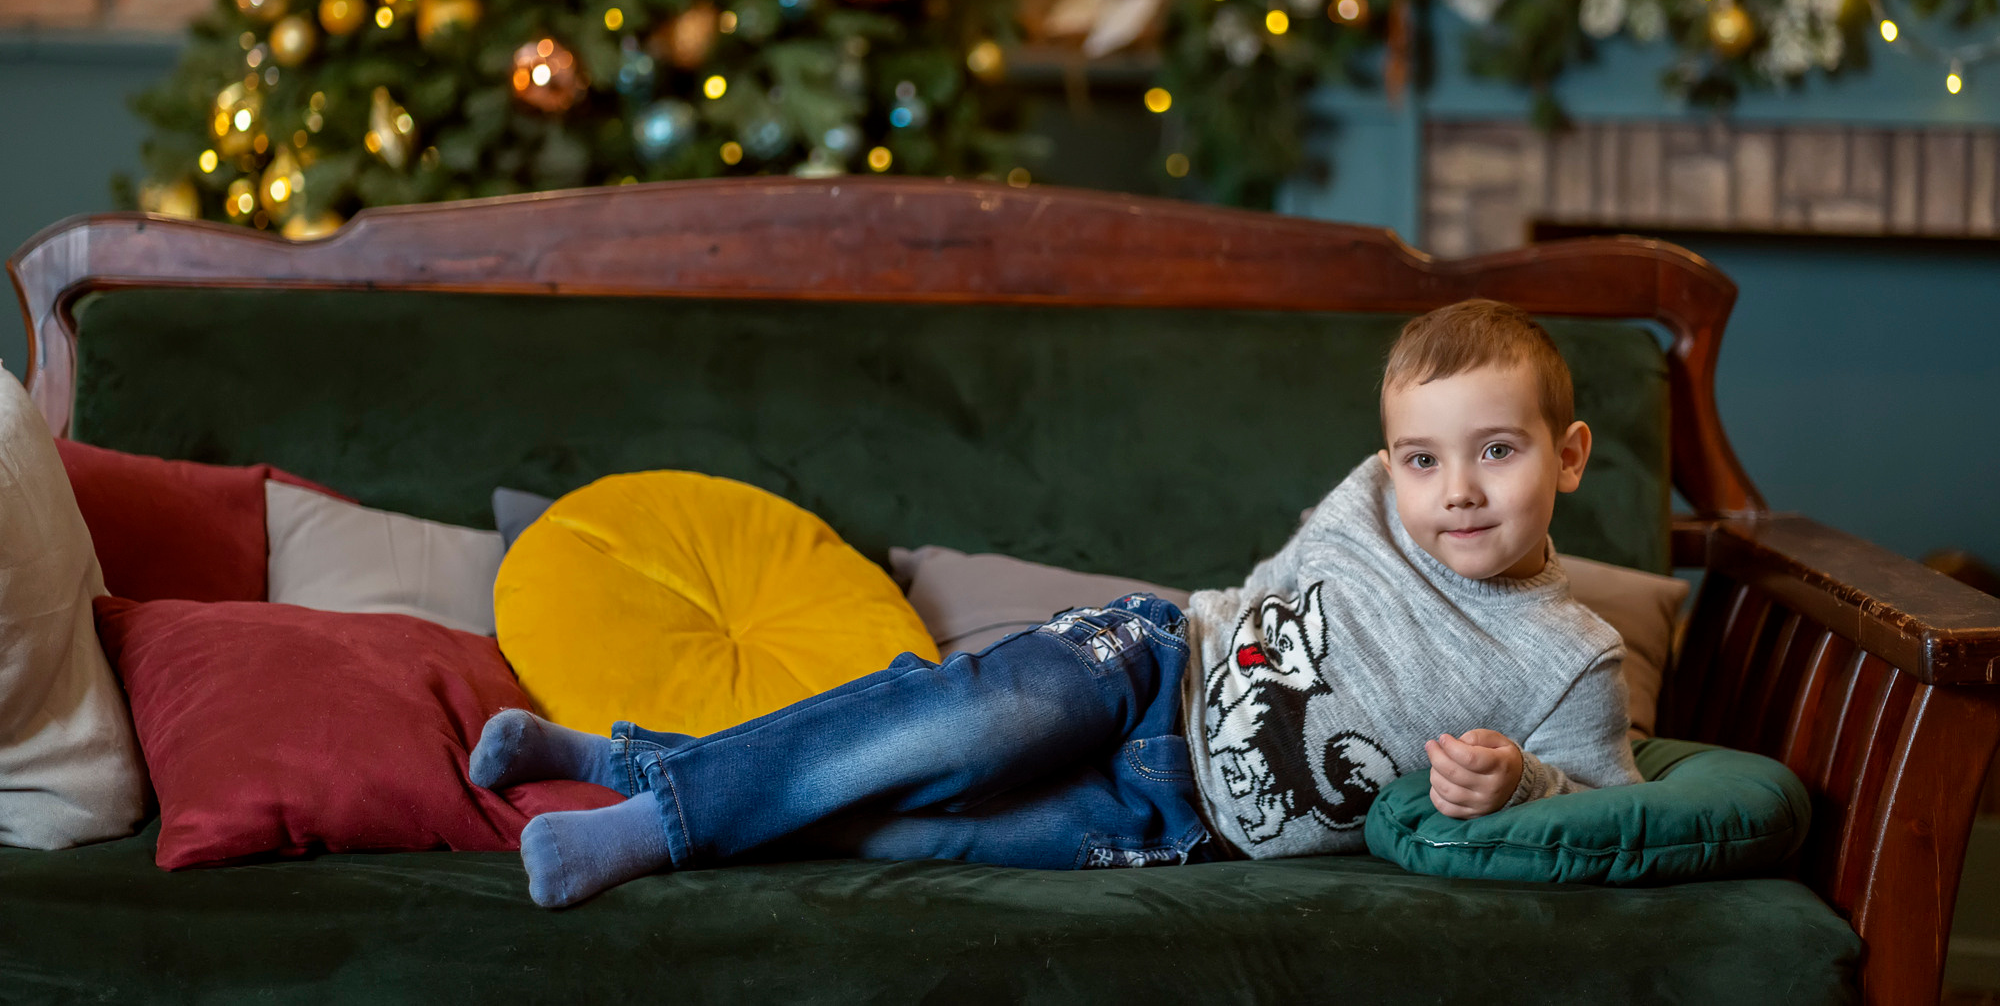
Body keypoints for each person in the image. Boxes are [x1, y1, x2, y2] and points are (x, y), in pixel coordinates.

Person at [471, 298, 1643, 907]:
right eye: (1423, 458)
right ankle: (654, 823)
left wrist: (1519, 780)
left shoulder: (1566, 656)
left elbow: (1602, 804)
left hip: (1179, 824)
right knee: (932, 731)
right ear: (1387, 461)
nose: (1457, 490)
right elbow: (1413, 412)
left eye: (1497, 450)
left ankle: (631, 761)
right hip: (1145, 664)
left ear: (1571, 454)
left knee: (912, 827)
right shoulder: (1374, 501)